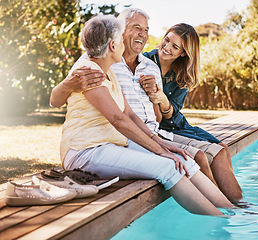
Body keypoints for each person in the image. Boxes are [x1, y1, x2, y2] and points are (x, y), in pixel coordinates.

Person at [50, 8, 244, 206]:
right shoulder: (101, 63)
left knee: (211, 152)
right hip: (110, 142)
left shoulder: (147, 67)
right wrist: (67, 85)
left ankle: (234, 210)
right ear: (119, 33)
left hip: (147, 132)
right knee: (184, 161)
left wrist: (156, 98)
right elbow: (119, 119)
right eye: (137, 27)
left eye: (146, 29)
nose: (144, 34)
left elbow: (148, 118)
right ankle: (224, 216)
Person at [140, 23, 245, 205]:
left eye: (175, 47)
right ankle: (226, 204)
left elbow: (172, 114)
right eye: (167, 40)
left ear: (183, 53)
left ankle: (239, 203)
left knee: (223, 149)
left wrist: (162, 99)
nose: (166, 47)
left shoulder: (182, 73)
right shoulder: (145, 62)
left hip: (176, 123)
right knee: (212, 154)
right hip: (160, 128)